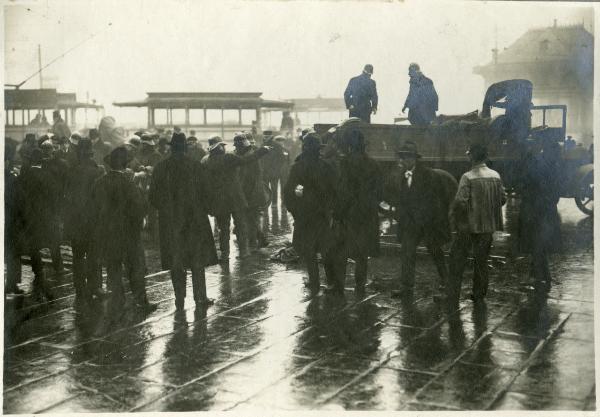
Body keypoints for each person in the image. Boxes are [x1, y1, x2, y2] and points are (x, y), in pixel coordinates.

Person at [149, 132, 218, 310]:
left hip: (170, 222)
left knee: (176, 261)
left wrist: (166, 211)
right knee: (197, 259)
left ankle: (179, 299)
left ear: (172, 148)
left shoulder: (161, 167)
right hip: (194, 220)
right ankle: (200, 298)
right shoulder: (195, 166)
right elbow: (207, 193)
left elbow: (153, 197)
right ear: (185, 148)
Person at [383, 141, 457, 300]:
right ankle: (406, 288)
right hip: (411, 225)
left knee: (436, 253)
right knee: (407, 253)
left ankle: (448, 285)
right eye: (403, 157)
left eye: (408, 157)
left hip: (429, 224)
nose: (404, 160)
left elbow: (438, 199)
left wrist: (436, 218)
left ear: (415, 158)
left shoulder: (428, 175)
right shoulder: (404, 176)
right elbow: (404, 200)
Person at [90, 147, 157, 318]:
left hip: (108, 233)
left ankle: (117, 301)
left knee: (113, 267)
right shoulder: (129, 184)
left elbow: (93, 209)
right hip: (129, 234)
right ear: (125, 165)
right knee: (136, 267)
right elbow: (140, 208)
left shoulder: (99, 183)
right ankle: (140, 301)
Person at [447, 143, 506, 308]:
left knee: (457, 260)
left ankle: (452, 296)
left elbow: (460, 202)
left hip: (468, 226)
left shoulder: (468, 176)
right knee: (481, 260)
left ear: (471, 156)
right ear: (486, 157)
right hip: (487, 226)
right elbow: (502, 199)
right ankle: (479, 294)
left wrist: (454, 218)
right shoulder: (496, 175)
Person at [283, 133, 340, 296]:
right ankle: (331, 281)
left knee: (309, 250)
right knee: (326, 248)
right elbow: (335, 191)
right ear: (318, 149)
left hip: (304, 214)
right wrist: (331, 209)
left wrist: (294, 210)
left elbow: (288, 192)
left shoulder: (298, 167)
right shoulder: (326, 166)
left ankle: (314, 281)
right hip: (323, 214)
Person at [201, 136, 270, 261]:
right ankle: (244, 251)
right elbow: (246, 160)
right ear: (218, 147)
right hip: (235, 198)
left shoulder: (205, 160)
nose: (224, 147)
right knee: (241, 224)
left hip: (218, 200)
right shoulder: (228, 158)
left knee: (223, 228)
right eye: (222, 145)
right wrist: (262, 151)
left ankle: (225, 254)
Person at [334, 128, 383, 296]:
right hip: (368, 214)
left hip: (350, 214)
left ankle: (338, 286)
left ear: (349, 146)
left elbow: (343, 191)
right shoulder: (374, 164)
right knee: (362, 253)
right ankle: (360, 285)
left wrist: (338, 213)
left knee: (342, 250)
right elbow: (379, 191)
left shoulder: (346, 163)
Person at [517, 138, 562, 293]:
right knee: (540, 244)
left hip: (534, 211)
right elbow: (555, 193)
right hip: (547, 211)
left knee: (536, 244)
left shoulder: (537, 166)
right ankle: (540, 275)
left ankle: (539, 277)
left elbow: (525, 186)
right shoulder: (554, 167)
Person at [64, 139, 105, 305]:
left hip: (76, 222)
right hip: (93, 222)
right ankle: (95, 287)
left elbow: (66, 197)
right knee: (94, 255)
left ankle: (80, 288)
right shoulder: (97, 171)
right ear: (91, 153)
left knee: (78, 256)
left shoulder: (71, 171)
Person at [15, 149, 57, 301]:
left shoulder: (23, 177)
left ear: (31, 161)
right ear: (41, 161)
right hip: (45, 219)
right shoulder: (49, 177)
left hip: (29, 218)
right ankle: (41, 278)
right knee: (42, 246)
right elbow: (54, 199)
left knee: (33, 247)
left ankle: (40, 277)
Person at [233, 132, 270, 249]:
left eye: (238, 147)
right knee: (252, 218)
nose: (237, 149)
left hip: (251, 192)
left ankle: (253, 244)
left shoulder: (249, 157)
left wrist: (242, 194)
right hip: (253, 192)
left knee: (251, 218)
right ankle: (260, 239)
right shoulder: (250, 154)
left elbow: (248, 178)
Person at [40, 140, 69, 275]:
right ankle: (58, 266)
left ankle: (48, 265)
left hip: (44, 205)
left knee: (49, 236)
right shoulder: (60, 164)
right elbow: (65, 183)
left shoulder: (40, 164)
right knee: (54, 236)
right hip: (55, 205)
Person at [5, 140, 23, 295]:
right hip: (10, 222)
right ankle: (11, 284)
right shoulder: (12, 178)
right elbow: (18, 203)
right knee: (12, 252)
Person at [261, 135, 289, 207]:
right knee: (266, 189)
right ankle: (267, 203)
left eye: (281, 141)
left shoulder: (280, 148)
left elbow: (283, 160)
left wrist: (277, 169)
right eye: (278, 140)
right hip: (266, 172)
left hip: (276, 172)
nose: (280, 142)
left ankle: (275, 203)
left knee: (274, 188)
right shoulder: (263, 146)